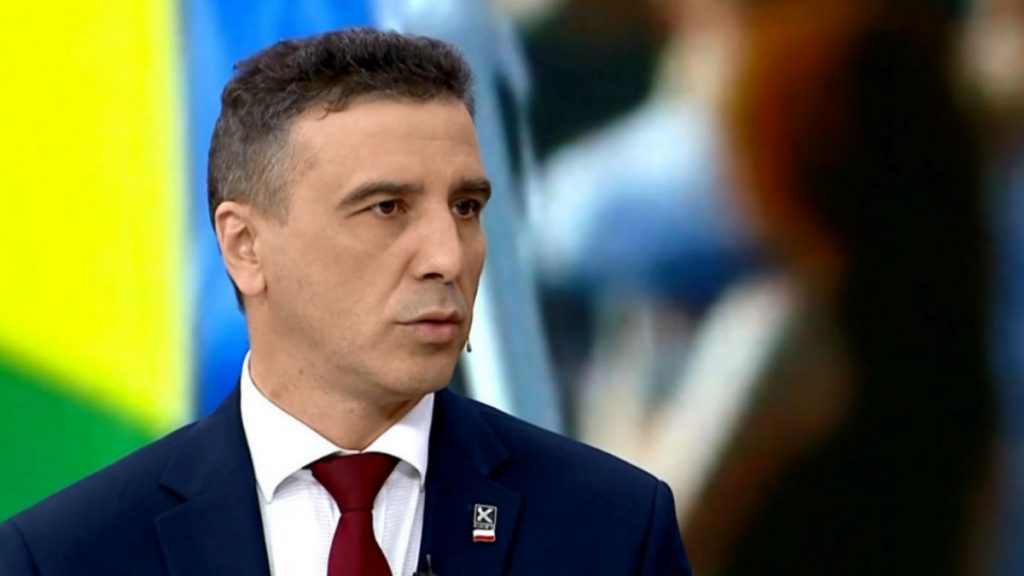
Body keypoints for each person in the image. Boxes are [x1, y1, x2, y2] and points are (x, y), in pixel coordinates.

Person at [0, 29, 691, 576]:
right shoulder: (66, 556)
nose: (448, 257)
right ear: (245, 247)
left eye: (466, 206)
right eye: (387, 207)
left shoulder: (614, 530)